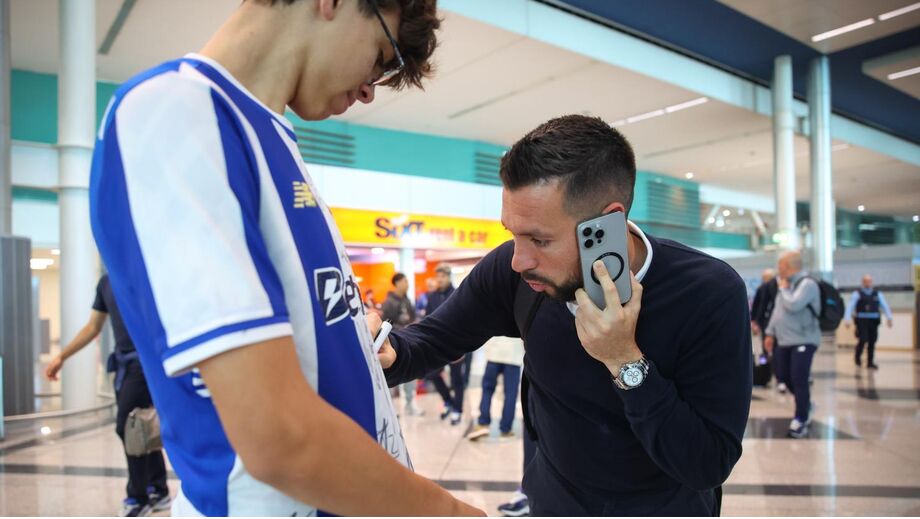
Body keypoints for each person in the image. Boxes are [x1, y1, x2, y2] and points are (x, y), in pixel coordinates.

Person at [88, 0, 483, 516]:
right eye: (382, 57)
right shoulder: (177, 112)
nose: (369, 89)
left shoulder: (267, 135)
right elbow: (277, 438)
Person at [378, 115, 752, 515]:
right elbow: (431, 340)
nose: (520, 260)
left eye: (540, 239)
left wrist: (624, 360)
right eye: (513, 234)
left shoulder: (708, 293)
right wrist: (389, 351)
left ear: (607, 223)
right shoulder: (517, 273)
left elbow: (706, 464)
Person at [46, 274, 170, 517]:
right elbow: (93, 327)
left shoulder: (144, 272)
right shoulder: (106, 282)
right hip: (125, 364)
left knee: (128, 425)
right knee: (140, 425)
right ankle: (158, 488)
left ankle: (138, 497)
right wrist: (62, 356)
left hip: (147, 362)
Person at [764, 251, 820, 439]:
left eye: (780, 266)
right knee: (785, 378)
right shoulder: (786, 286)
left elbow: (794, 305)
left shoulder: (807, 284)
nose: (778, 270)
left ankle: (801, 418)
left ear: (790, 267)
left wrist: (783, 289)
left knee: (799, 378)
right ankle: (806, 405)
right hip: (785, 340)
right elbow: (778, 311)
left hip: (804, 340)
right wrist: (770, 333)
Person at [425, 263, 465, 425]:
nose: (439, 279)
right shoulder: (432, 296)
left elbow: (464, 319)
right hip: (436, 344)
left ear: (449, 277)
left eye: (442, 276)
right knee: (432, 374)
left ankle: (457, 410)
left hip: (456, 343)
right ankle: (448, 401)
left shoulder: (458, 294)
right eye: (438, 276)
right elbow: (427, 319)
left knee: (457, 380)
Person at [381, 273, 423, 416]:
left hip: (408, 342)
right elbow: (385, 323)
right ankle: (390, 409)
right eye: (405, 281)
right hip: (393, 344)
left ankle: (410, 405)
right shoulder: (389, 302)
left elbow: (412, 317)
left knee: (411, 375)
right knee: (391, 378)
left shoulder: (407, 300)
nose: (407, 284)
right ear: (397, 283)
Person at [466, 336, 523, 441]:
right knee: (511, 394)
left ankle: (483, 424)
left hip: (494, 353)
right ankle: (506, 429)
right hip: (514, 355)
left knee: (487, 390)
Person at [844, 274, 893, 370]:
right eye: (866, 281)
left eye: (870, 281)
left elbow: (885, 306)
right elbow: (850, 306)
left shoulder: (877, 294)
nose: (868, 283)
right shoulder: (857, 294)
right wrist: (847, 319)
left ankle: (870, 362)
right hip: (862, 320)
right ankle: (857, 357)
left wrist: (889, 318)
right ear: (863, 282)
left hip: (874, 320)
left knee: (872, 341)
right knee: (862, 339)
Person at [750, 268, 781, 389]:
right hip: (764, 324)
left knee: (769, 350)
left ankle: (769, 373)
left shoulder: (777, 288)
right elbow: (758, 306)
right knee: (764, 350)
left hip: (771, 324)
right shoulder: (763, 289)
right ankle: (764, 373)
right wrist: (755, 321)